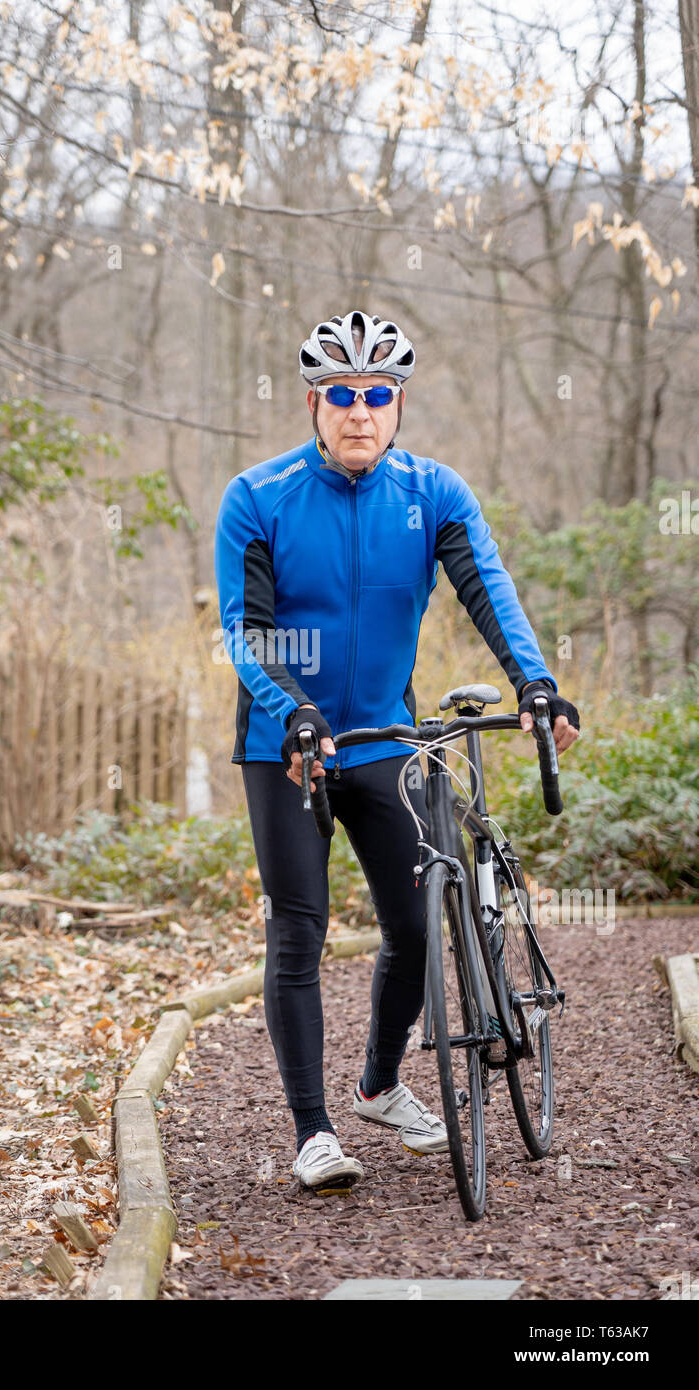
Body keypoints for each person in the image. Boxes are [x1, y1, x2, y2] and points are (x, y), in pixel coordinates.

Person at [213, 310, 580, 1191]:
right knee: (298, 929)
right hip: (286, 744)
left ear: (399, 402)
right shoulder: (258, 498)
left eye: (377, 394)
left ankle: (380, 1084)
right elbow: (248, 631)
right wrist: (295, 711)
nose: (359, 412)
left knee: (417, 923)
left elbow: (488, 588)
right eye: (342, 394)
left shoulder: (435, 494)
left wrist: (534, 681)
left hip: (383, 734)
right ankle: (312, 1132)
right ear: (313, 402)